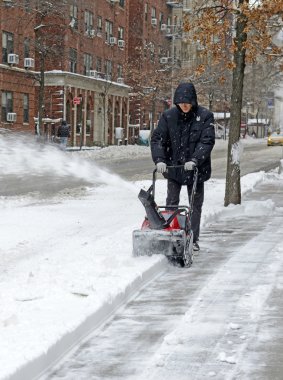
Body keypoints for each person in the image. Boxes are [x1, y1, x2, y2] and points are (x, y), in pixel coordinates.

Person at [150, 82, 215, 252]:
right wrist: (160, 160)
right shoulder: (168, 116)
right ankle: (171, 235)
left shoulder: (205, 116)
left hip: (196, 169)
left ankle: (192, 238)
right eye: (181, 104)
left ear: (193, 101)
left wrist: (195, 160)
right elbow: (158, 139)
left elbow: (207, 141)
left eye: (188, 103)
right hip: (174, 167)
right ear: (176, 102)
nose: (185, 107)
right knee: (171, 203)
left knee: (195, 204)